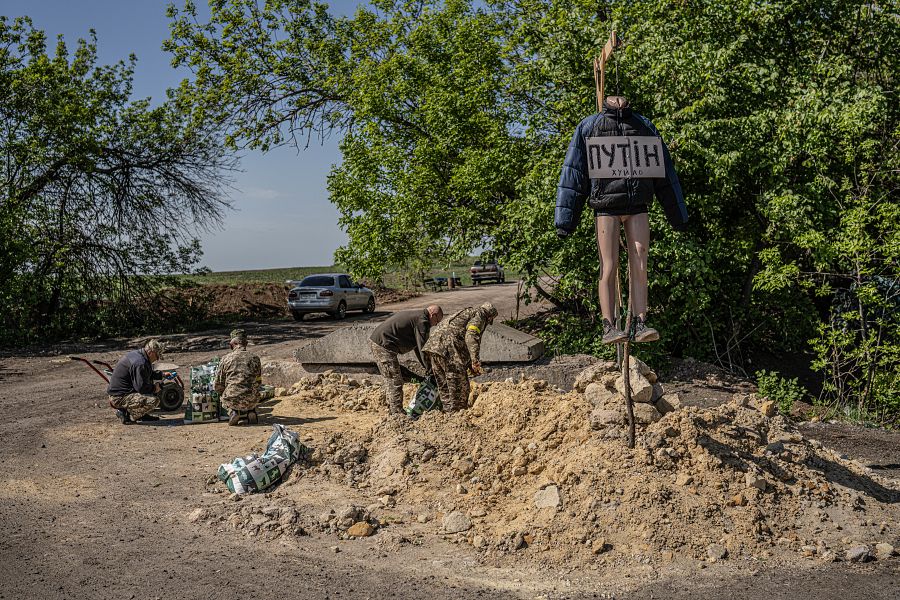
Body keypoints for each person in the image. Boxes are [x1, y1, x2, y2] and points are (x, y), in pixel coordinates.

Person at [555, 96, 688, 344]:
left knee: (640, 258)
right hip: (606, 206)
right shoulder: (589, 126)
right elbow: (574, 173)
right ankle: (608, 324)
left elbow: (665, 173)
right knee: (609, 263)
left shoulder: (644, 126)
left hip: (638, 204)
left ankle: (640, 321)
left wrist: (678, 216)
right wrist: (565, 221)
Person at [422, 302, 497, 412]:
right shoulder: (480, 315)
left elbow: (458, 334)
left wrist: (468, 364)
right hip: (448, 351)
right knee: (460, 387)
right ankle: (458, 416)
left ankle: (449, 416)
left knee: (445, 387)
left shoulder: (465, 313)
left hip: (434, 348)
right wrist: (475, 361)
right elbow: (471, 336)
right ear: (489, 317)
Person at [369, 305, 444, 415]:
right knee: (395, 380)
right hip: (383, 344)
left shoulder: (418, 317)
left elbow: (418, 348)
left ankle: (392, 409)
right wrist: (430, 369)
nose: (435, 325)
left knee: (392, 378)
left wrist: (427, 367)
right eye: (437, 321)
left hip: (381, 342)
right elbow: (423, 348)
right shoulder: (422, 322)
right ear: (433, 315)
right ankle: (397, 414)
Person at [107, 339, 165, 424]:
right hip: (119, 397)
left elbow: (145, 373)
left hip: (121, 392)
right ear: (151, 352)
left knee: (149, 390)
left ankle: (142, 414)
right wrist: (155, 388)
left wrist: (161, 375)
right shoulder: (140, 363)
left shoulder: (139, 355)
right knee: (154, 401)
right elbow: (141, 388)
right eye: (157, 356)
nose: (157, 359)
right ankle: (125, 413)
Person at [214, 329, 263, 426]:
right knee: (252, 389)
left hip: (233, 398)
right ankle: (251, 411)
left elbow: (218, 383)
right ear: (246, 343)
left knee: (223, 395)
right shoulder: (255, 358)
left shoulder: (226, 359)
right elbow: (258, 380)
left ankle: (233, 412)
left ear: (232, 344)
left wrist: (222, 392)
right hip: (252, 398)